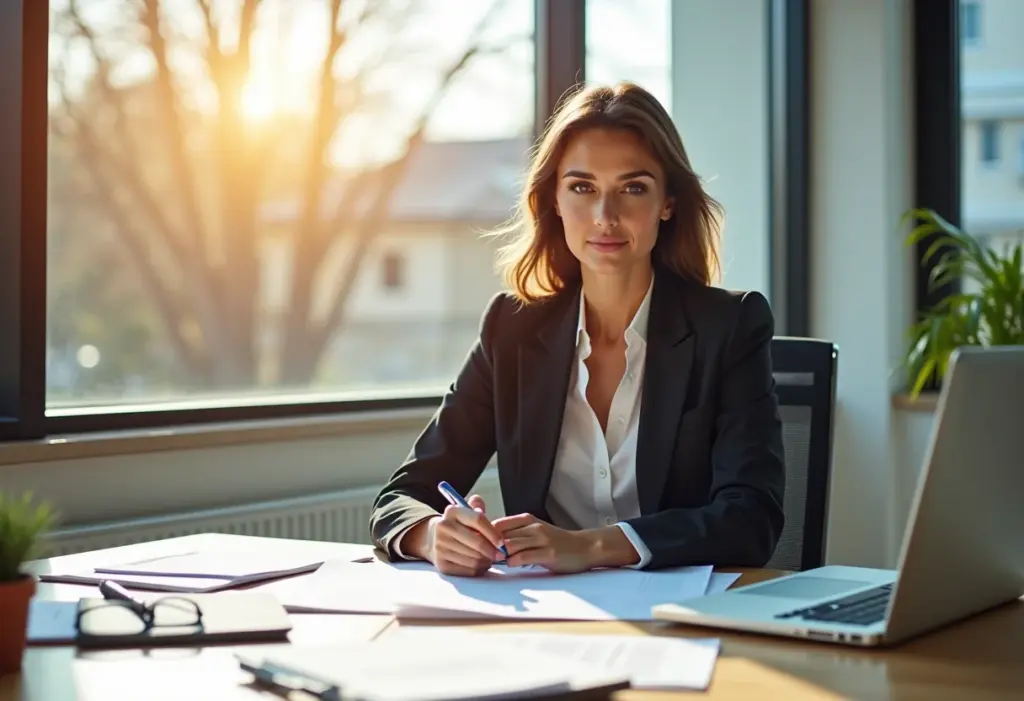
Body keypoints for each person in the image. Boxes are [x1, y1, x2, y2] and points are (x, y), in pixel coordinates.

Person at [369, 81, 785, 576]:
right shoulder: (512, 329)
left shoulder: (731, 327)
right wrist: (435, 535)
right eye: (582, 188)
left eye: (633, 188)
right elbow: (401, 498)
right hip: (553, 622)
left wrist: (590, 546)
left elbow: (751, 521)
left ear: (668, 203)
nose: (605, 217)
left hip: (684, 619)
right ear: (554, 202)